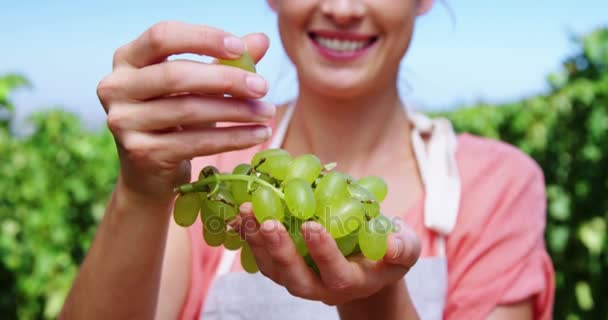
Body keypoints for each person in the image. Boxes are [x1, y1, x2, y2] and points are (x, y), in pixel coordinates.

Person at [60, 0, 555, 319]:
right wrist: (141, 192)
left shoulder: (499, 186)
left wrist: (376, 301)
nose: (341, 8)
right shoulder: (211, 165)